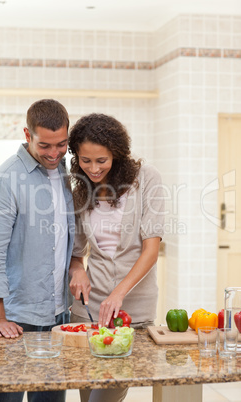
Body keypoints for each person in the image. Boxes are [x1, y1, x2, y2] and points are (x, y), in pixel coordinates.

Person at [0, 99, 75, 402]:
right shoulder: (5, 180)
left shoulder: (65, 174)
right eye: (45, 145)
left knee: (50, 400)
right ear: (27, 134)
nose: (54, 153)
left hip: (59, 315)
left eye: (61, 144)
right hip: (17, 319)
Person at [68, 113, 165, 402]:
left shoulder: (146, 179)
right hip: (87, 310)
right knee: (87, 395)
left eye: (102, 160)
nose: (94, 168)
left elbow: (151, 249)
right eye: (86, 161)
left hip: (131, 308)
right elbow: (76, 254)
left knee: (104, 397)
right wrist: (78, 270)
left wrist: (118, 294)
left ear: (117, 155)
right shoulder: (80, 190)